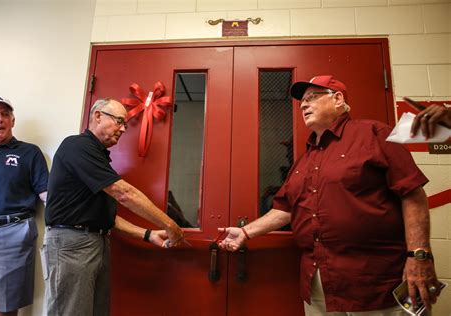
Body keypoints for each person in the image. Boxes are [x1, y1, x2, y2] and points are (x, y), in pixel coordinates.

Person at [218, 76, 440, 315]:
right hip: (319, 284)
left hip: (376, 283)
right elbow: (285, 210)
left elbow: (412, 194)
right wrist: (244, 232)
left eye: (312, 98)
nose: (303, 105)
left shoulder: (375, 134)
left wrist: (419, 255)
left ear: (337, 99)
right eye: (302, 101)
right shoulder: (304, 160)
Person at [42, 97, 184, 316]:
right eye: (119, 121)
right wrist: (169, 224)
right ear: (98, 116)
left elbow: (106, 217)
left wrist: (147, 234)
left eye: (124, 124)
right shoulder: (77, 146)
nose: (123, 128)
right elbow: (125, 194)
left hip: (95, 242)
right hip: (71, 245)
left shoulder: (98, 158)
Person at [0, 95, 48, 316]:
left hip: (13, 233)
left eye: (5, 114)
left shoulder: (29, 152)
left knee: (7, 307)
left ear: (12, 121)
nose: (0, 119)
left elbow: (46, 194)